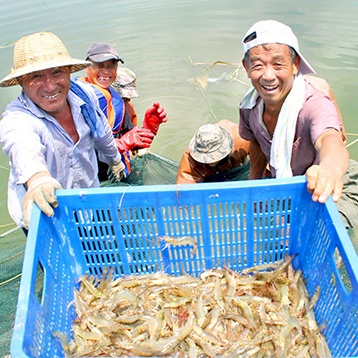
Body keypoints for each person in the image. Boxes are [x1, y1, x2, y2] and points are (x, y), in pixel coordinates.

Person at [0, 32, 126, 231]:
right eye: (36, 76)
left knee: (95, 253)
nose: (50, 85)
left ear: (68, 71)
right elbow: (22, 148)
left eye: (57, 72)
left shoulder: (85, 96)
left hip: (87, 203)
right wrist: (38, 181)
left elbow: (102, 132)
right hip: (47, 215)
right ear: (20, 82)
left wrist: (115, 160)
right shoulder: (18, 120)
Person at [239, 19, 358, 228]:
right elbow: (257, 144)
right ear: (246, 68)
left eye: (278, 64)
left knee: (319, 233)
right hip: (295, 182)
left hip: (337, 183)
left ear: (295, 65)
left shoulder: (314, 103)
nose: (268, 76)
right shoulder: (249, 107)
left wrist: (329, 169)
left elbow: (330, 139)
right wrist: (254, 186)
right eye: (258, 65)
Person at [77, 43, 167, 179]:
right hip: (94, 178)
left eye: (111, 66)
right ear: (87, 66)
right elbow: (77, 147)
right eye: (100, 65)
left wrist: (149, 129)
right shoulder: (78, 100)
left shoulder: (117, 101)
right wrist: (118, 145)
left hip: (119, 171)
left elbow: (132, 139)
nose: (106, 71)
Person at [176, 119, 250, 184]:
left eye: (213, 156)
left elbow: (259, 153)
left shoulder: (242, 139)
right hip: (211, 175)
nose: (210, 161)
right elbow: (185, 190)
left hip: (236, 163)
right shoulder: (190, 160)